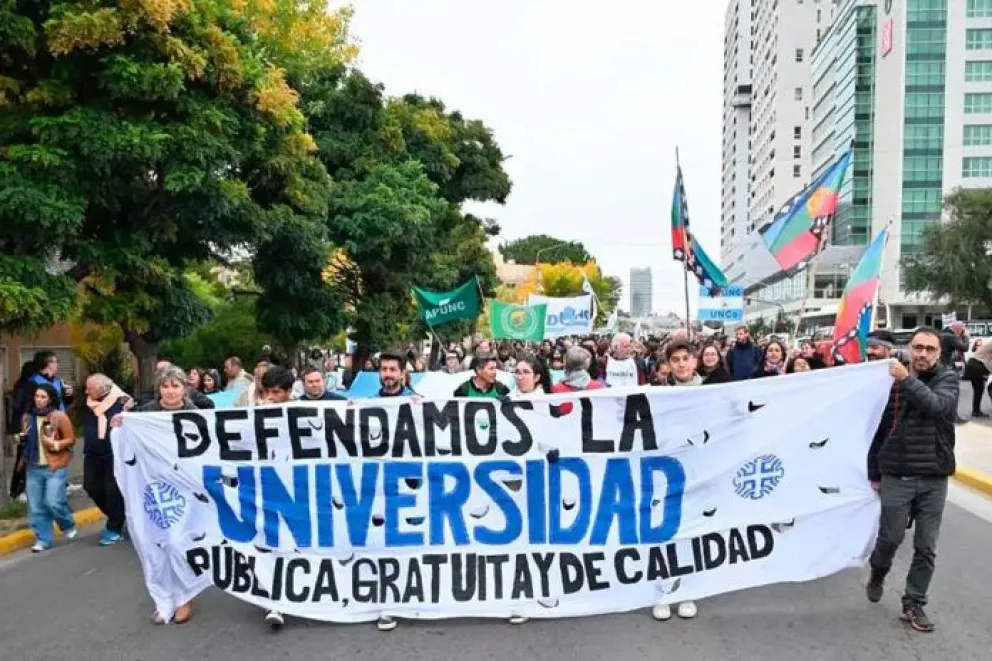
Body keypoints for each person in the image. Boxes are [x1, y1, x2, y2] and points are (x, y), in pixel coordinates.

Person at [865, 328, 958, 633]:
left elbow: (937, 407)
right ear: (909, 348)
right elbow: (878, 430)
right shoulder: (889, 380)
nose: (922, 354)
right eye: (918, 347)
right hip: (897, 474)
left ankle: (913, 602)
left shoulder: (948, 379)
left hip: (933, 477)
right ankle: (878, 572)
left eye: (930, 349)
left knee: (926, 546)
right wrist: (874, 473)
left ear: (939, 353)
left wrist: (906, 379)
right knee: (890, 538)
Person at [113, 365, 196, 624]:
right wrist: (120, 425)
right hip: (153, 487)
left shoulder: (198, 415)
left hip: (186, 489)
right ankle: (163, 598)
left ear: (185, 388)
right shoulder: (145, 413)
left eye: (175, 386)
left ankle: (183, 598)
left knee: (176, 542)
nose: (170, 391)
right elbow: (130, 441)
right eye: (165, 386)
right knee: (155, 544)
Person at [653, 341, 698, 620]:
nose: (681, 364)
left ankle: (689, 591)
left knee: (694, 532)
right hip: (666, 471)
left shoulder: (715, 390)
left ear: (694, 362)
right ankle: (663, 591)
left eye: (685, 358)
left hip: (702, 471)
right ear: (668, 365)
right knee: (664, 532)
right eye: (675, 360)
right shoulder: (657, 395)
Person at [18, 383, 77, 553]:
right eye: (37, 396)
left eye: (43, 397)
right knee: (36, 506)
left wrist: (56, 444)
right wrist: (21, 439)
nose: (39, 400)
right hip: (33, 465)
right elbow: (25, 438)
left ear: (50, 398)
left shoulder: (59, 417)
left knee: (53, 502)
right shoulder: (27, 417)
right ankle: (43, 539)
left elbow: (71, 439)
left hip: (55, 465)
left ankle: (67, 523)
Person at [82, 373, 132, 546]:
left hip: (113, 452)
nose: (86, 392)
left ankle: (115, 527)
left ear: (103, 389)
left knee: (113, 491)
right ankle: (117, 516)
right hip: (92, 452)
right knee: (91, 486)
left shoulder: (122, 401)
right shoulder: (89, 402)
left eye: (90, 389)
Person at [963, 339, 992, 417]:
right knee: (979, 389)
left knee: (978, 390)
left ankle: (976, 411)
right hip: (977, 366)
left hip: (973, 364)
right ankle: (976, 411)